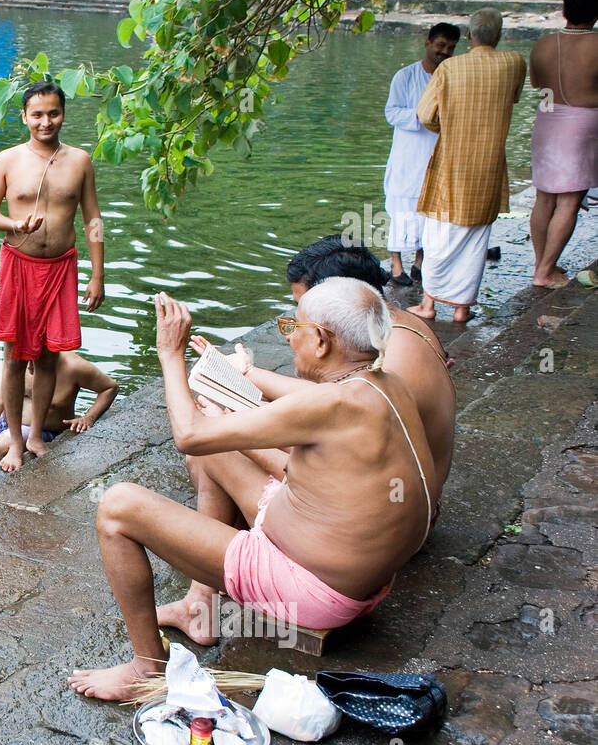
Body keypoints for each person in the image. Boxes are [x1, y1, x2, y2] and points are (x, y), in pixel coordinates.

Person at [69, 281, 435, 700]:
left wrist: (169, 354)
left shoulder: (333, 405)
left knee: (117, 506)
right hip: (357, 577)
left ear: (320, 340)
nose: (289, 336)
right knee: (214, 455)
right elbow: (293, 447)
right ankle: (199, 608)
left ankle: (146, 668)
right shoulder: (383, 385)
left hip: (314, 590)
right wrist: (241, 381)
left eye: (291, 326)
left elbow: (189, 434)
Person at [0, 81, 106, 472]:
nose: (45, 121)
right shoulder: (7, 160)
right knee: (16, 358)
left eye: (53, 113)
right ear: (24, 117)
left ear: (63, 114)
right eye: (37, 114)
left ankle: (35, 436)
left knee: (51, 355)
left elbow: (93, 219)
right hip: (19, 264)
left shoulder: (80, 161)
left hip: (62, 266)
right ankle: (15, 441)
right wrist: (15, 224)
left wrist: (97, 274)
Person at [283, 235, 455, 491]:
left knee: (224, 452)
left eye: (305, 306)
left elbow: (340, 431)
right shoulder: (392, 322)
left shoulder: (394, 355)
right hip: (390, 485)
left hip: (392, 506)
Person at [411, 8, 527, 323]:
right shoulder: (514, 63)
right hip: (489, 166)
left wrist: (444, 128)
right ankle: (462, 308)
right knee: (476, 239)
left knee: (439, 235)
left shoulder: (449, 68)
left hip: (452, 163)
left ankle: (429, 305)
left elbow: (424, 114)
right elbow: (512, 98)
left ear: (469, 36)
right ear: (499, 35)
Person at [528, 0, 598, 288]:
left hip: (547, 118)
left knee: (544, 198)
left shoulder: (543, 43)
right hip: (582, 123)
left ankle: (542, 264)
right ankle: (545, 272)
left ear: (564, 8)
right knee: (569, 200)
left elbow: (536, 84)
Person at [382, 23, 460, 286]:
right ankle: (396, 263)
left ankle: (419, 260)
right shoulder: (404, 76)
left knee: (429, 208)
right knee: (401, 205)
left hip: (438, 153)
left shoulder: (454, 79)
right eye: (440, 45)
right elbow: (391, 112)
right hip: (408, 153)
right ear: (428, 43)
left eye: (450, 48)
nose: (444, 52)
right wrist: (421, 114)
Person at [0, 351, 118, 472]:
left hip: (42, 429)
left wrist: (89, 417)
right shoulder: (14, 358)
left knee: (5, 441)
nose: (30, 366)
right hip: (4, 418)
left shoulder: (74, 366)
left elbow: (110, 388)